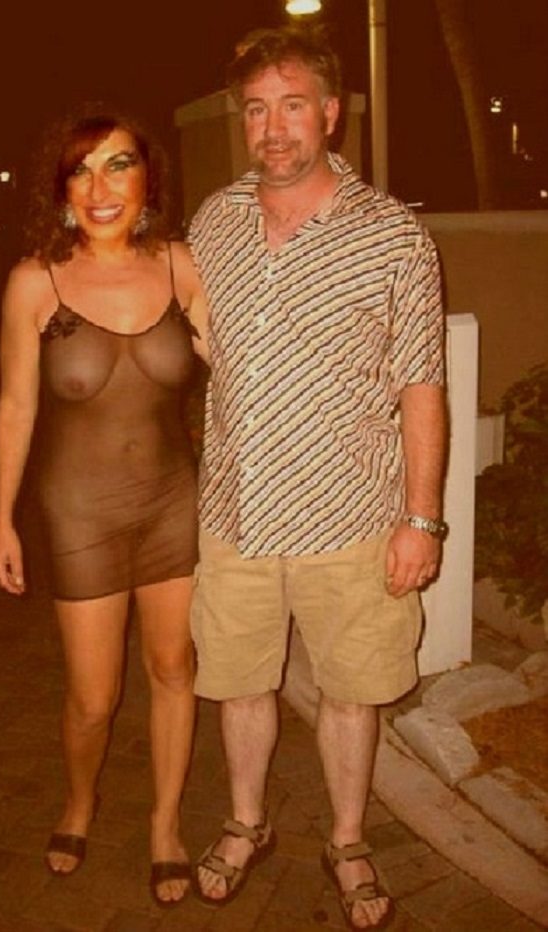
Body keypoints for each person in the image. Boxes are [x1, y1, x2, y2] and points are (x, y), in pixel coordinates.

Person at [188, 27, 447, 930]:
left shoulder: (394, 236)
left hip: (352, 517)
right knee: (240, 682)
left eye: (293, 105)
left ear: (330, 113)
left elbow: (422, 385)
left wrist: (422, 519)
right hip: (235, 514)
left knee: (349, 691)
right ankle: (246, 822)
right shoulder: (213, 222)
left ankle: (346, 837)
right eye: (257, 108)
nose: (274, 128)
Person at [0, 110, 209, 906]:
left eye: (119, 164)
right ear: (61, 191)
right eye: (81, 170)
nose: (101, 186)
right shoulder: (34, 282)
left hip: (174, 504)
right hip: (78, 514)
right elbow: (16, 406)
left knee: (175, 670)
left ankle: (165, 825)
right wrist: (1, 520)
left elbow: (234, 367)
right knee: (93, 697)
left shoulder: (183, 265)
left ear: (149, 178)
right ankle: (80, 800)